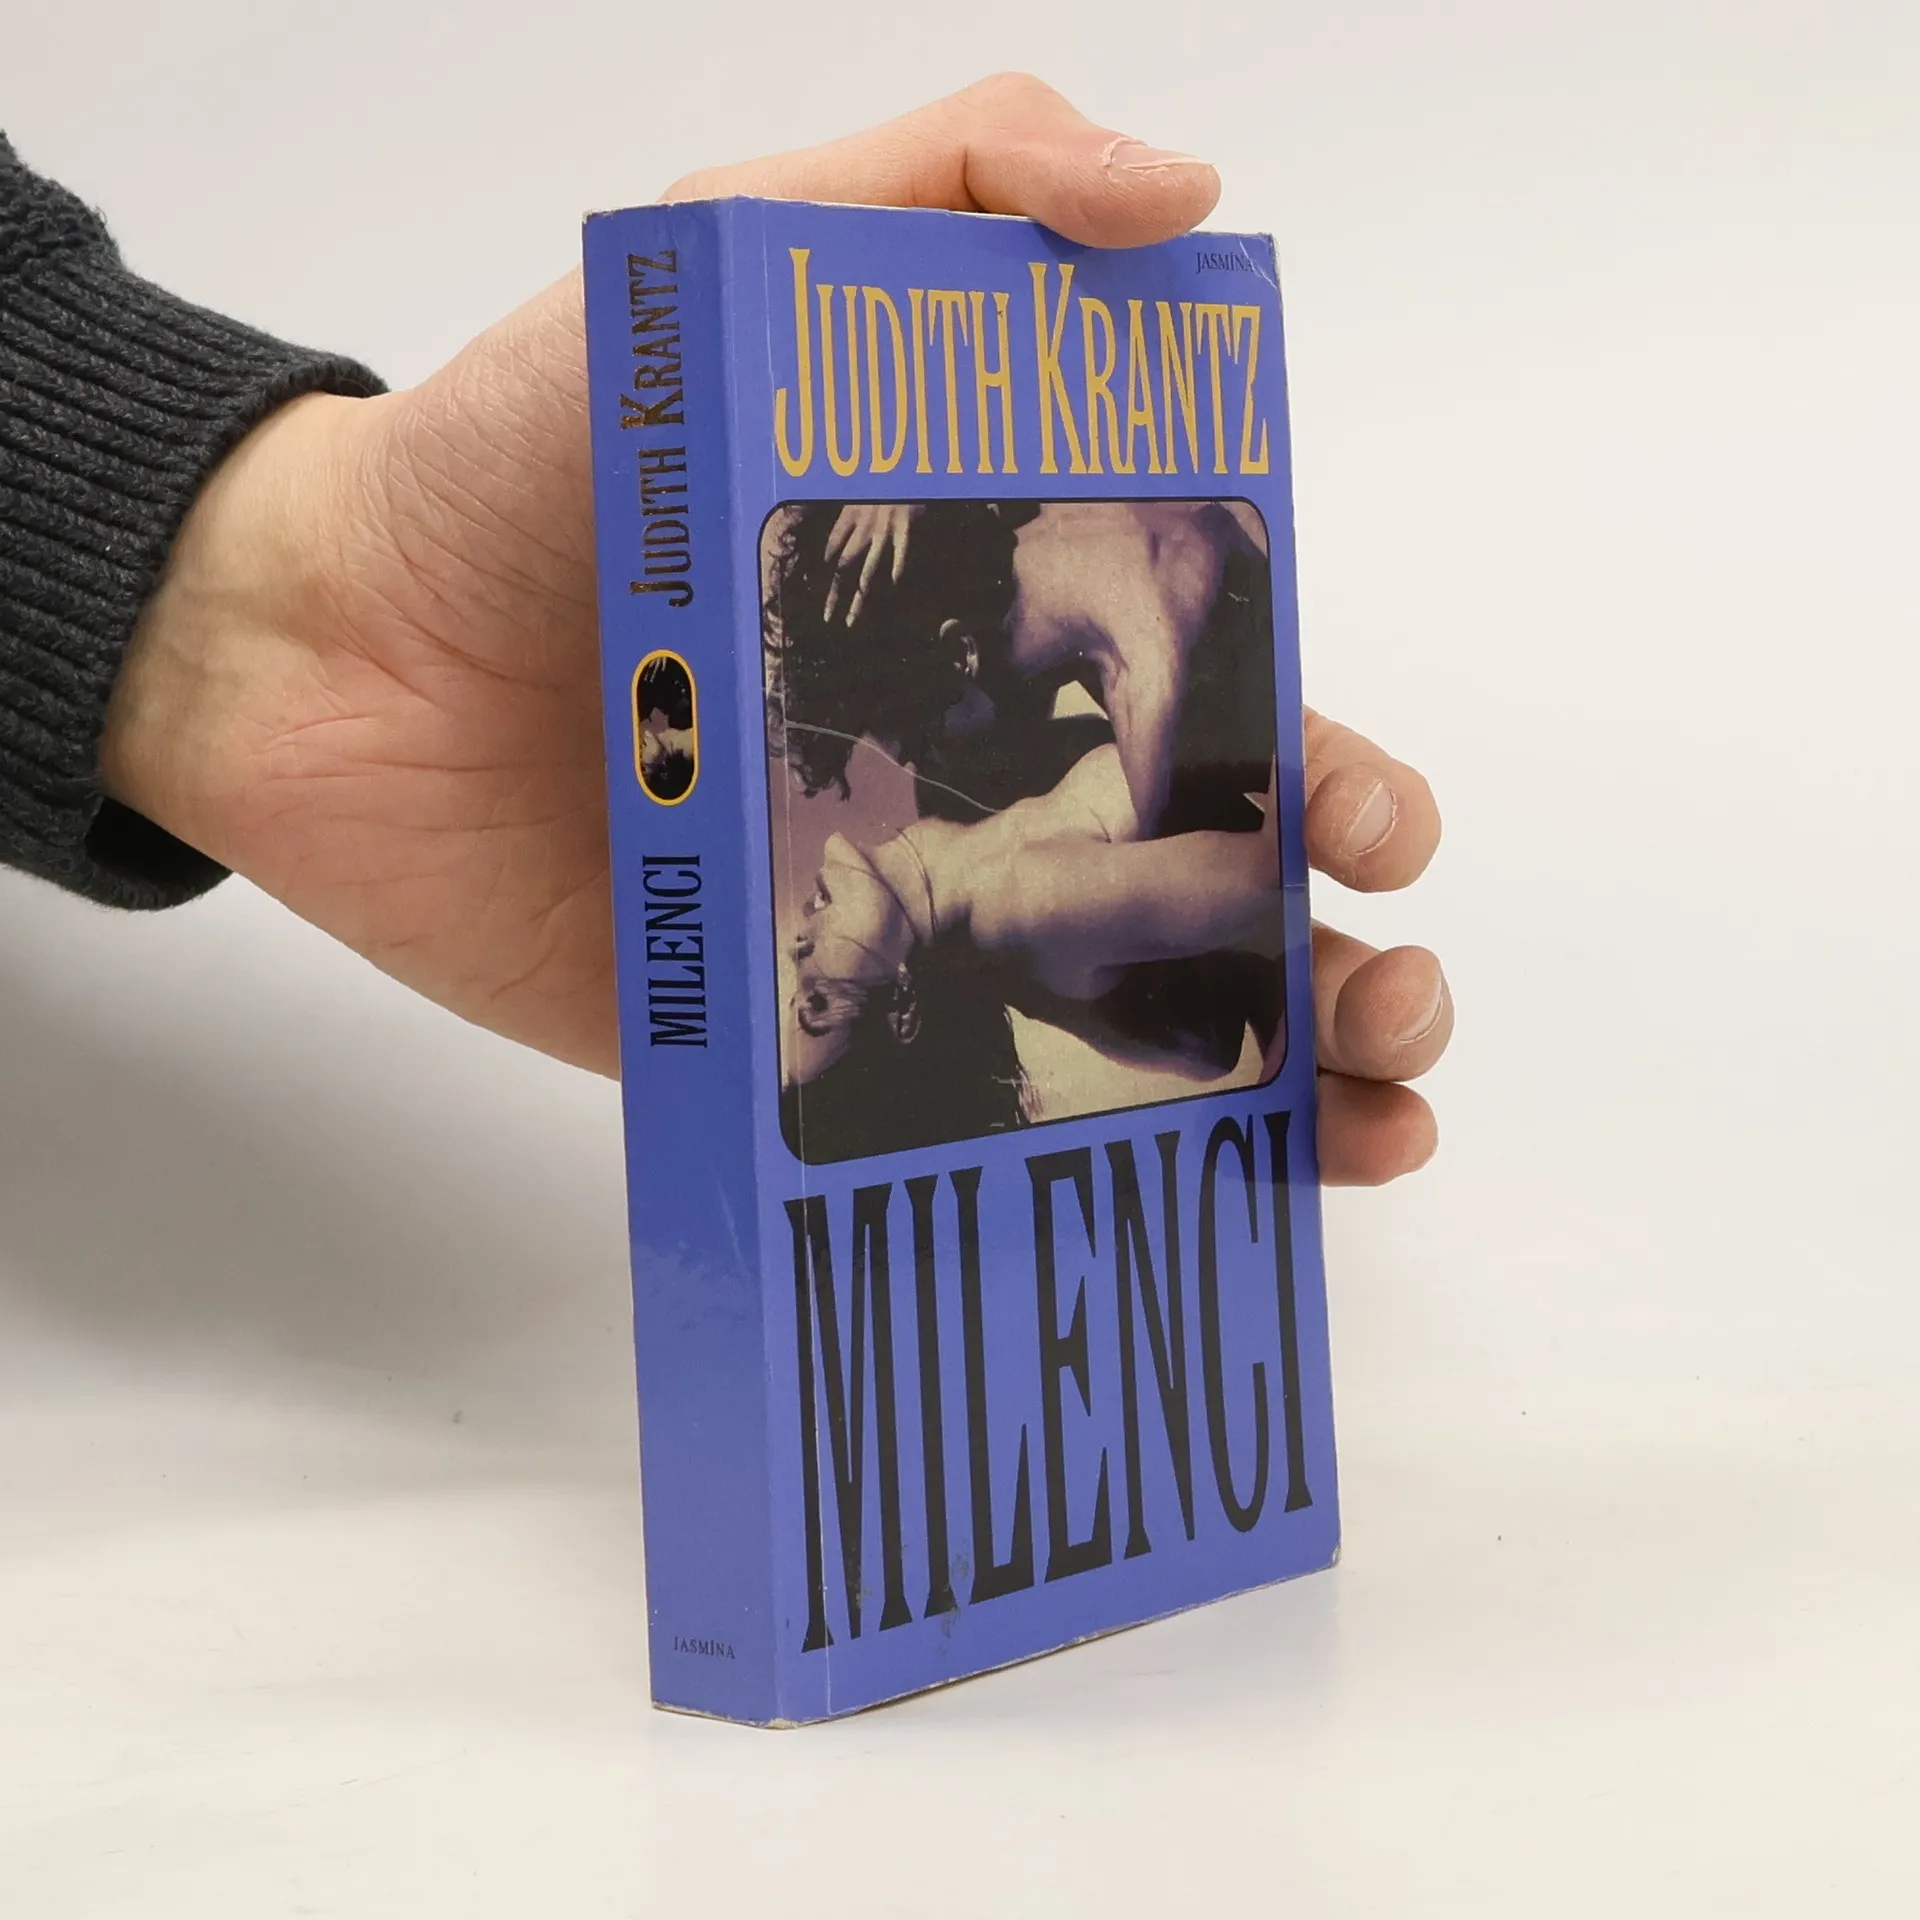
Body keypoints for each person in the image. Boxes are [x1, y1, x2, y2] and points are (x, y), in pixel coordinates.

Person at [0, 74, 1452, 1186]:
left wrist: (272, 602)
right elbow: (1234, 884)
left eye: (792, 980)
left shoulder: (996, 853)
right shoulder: (1008, 896)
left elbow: (1206, 932)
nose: (803, 939)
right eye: (828, 990)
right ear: (896, 1006)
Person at [780, 740, 1284, 1161]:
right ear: (903, 1010)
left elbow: (1205, 1050)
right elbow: (1274, 880)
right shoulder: (1028, 900)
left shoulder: (954, 792)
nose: (796, 950)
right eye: (816, 1004)